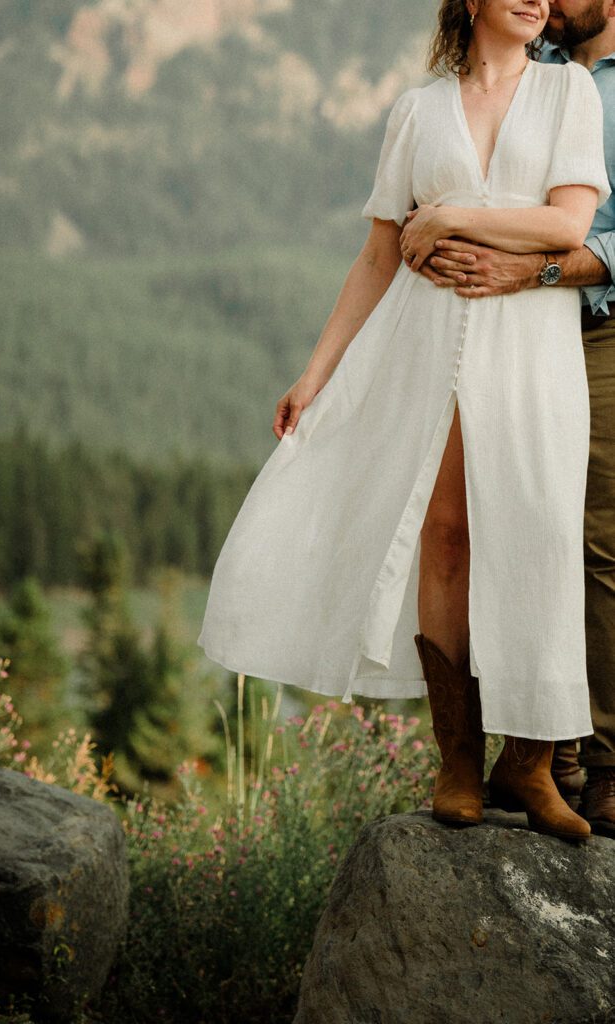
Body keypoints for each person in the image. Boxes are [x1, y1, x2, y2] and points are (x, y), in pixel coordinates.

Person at [197, 0, 611, 842]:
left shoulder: (572, 96)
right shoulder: (417, 111)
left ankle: (532, 764)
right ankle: (458, 758)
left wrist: (451, 215)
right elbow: (381, 254)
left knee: (538, 532)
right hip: (426, 342)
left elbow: (566, 222)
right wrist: (315, 375)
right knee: (446, 537)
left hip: (532, 344)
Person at [419, 0, 615, 838]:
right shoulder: (522, 78)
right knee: (466, 530)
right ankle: (510, 757)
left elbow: (584, 229)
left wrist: (528, 272)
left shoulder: (583, 88)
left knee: (586, 539)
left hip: (595, 326)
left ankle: (595, 767)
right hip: (488, 326)